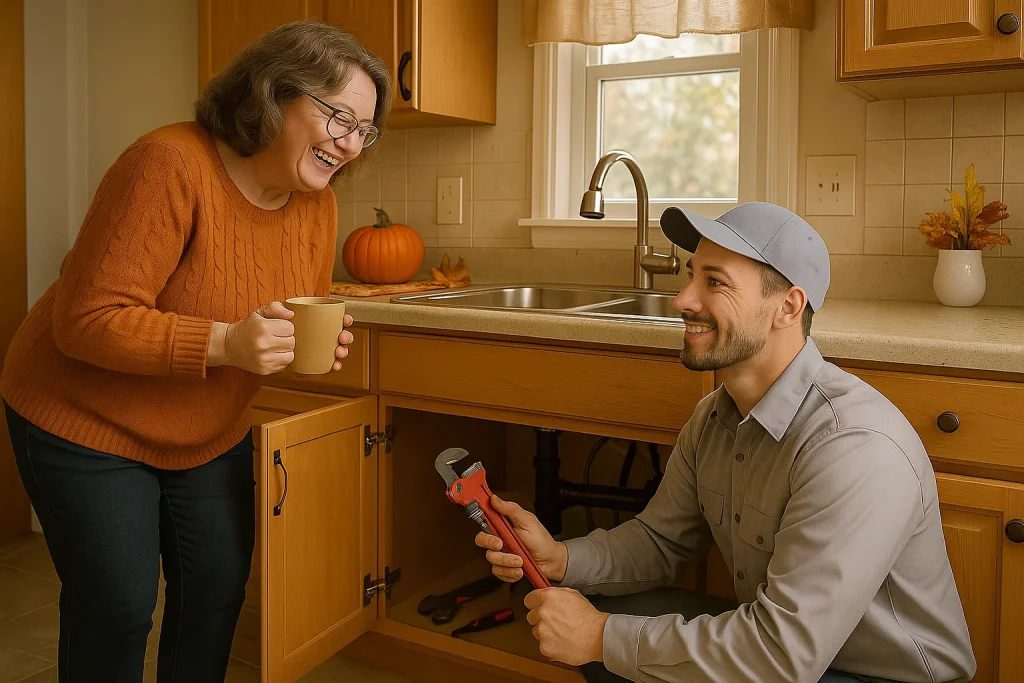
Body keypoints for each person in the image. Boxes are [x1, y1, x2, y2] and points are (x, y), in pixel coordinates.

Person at [0, 20, 392, 683]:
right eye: (338, 118)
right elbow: (87, 320)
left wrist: (304, 345)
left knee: (214, 599)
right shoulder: (167, 164)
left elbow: (273, 317)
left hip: (205, 428)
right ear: (274, 95)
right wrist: (225, 342)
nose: (350, 144)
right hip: (81, 416)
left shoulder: (316, 207)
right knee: (117, 608)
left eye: (364, 129)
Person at [476, 202, 977, 683]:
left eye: (714, 282)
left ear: (787, 306)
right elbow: (660, 540)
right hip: (793, 656)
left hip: (876, 676)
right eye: (691, 275)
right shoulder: (713, 417)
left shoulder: (853, 446)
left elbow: (780, 657)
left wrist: (600, 637)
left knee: (605, 639)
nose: (683, 300)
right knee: (595, 622)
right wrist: (562, 561)